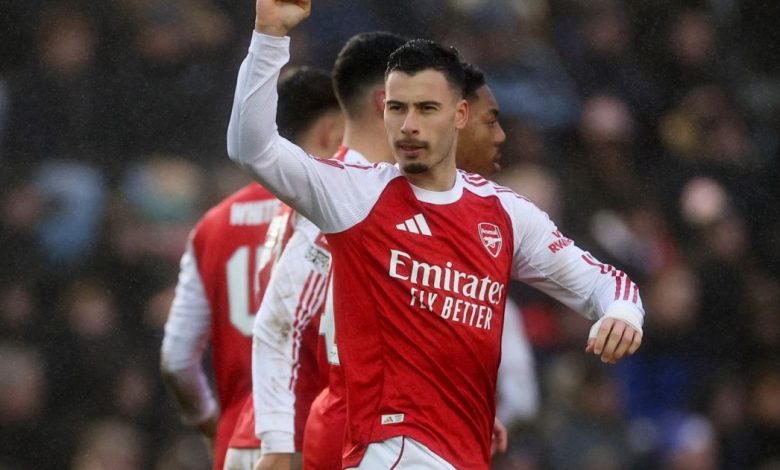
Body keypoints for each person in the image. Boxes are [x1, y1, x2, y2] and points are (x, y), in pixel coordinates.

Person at [228, 1, 644, 468]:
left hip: (463, 453)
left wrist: (622, 313)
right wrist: (269, 36)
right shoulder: (353, 194)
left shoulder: (505, 213)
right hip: (389, 451)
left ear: (460, 115)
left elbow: (606, 283)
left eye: (426, 109)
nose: (409, 125)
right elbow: (251, 148)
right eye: (397, 109)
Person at [251, 50, 508, 470]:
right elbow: (282, 318)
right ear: (384, 103)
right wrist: (277, 442)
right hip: (349, 422)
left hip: (391, 423)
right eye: (418, 104)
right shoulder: (345, 196)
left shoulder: (393, 194)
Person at [160, 65, 343, 470]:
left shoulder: (213, 224)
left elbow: (176, 359)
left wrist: (210, 423)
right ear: (330, 130)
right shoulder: (335, 214)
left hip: (238, 439)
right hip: (306, 438)